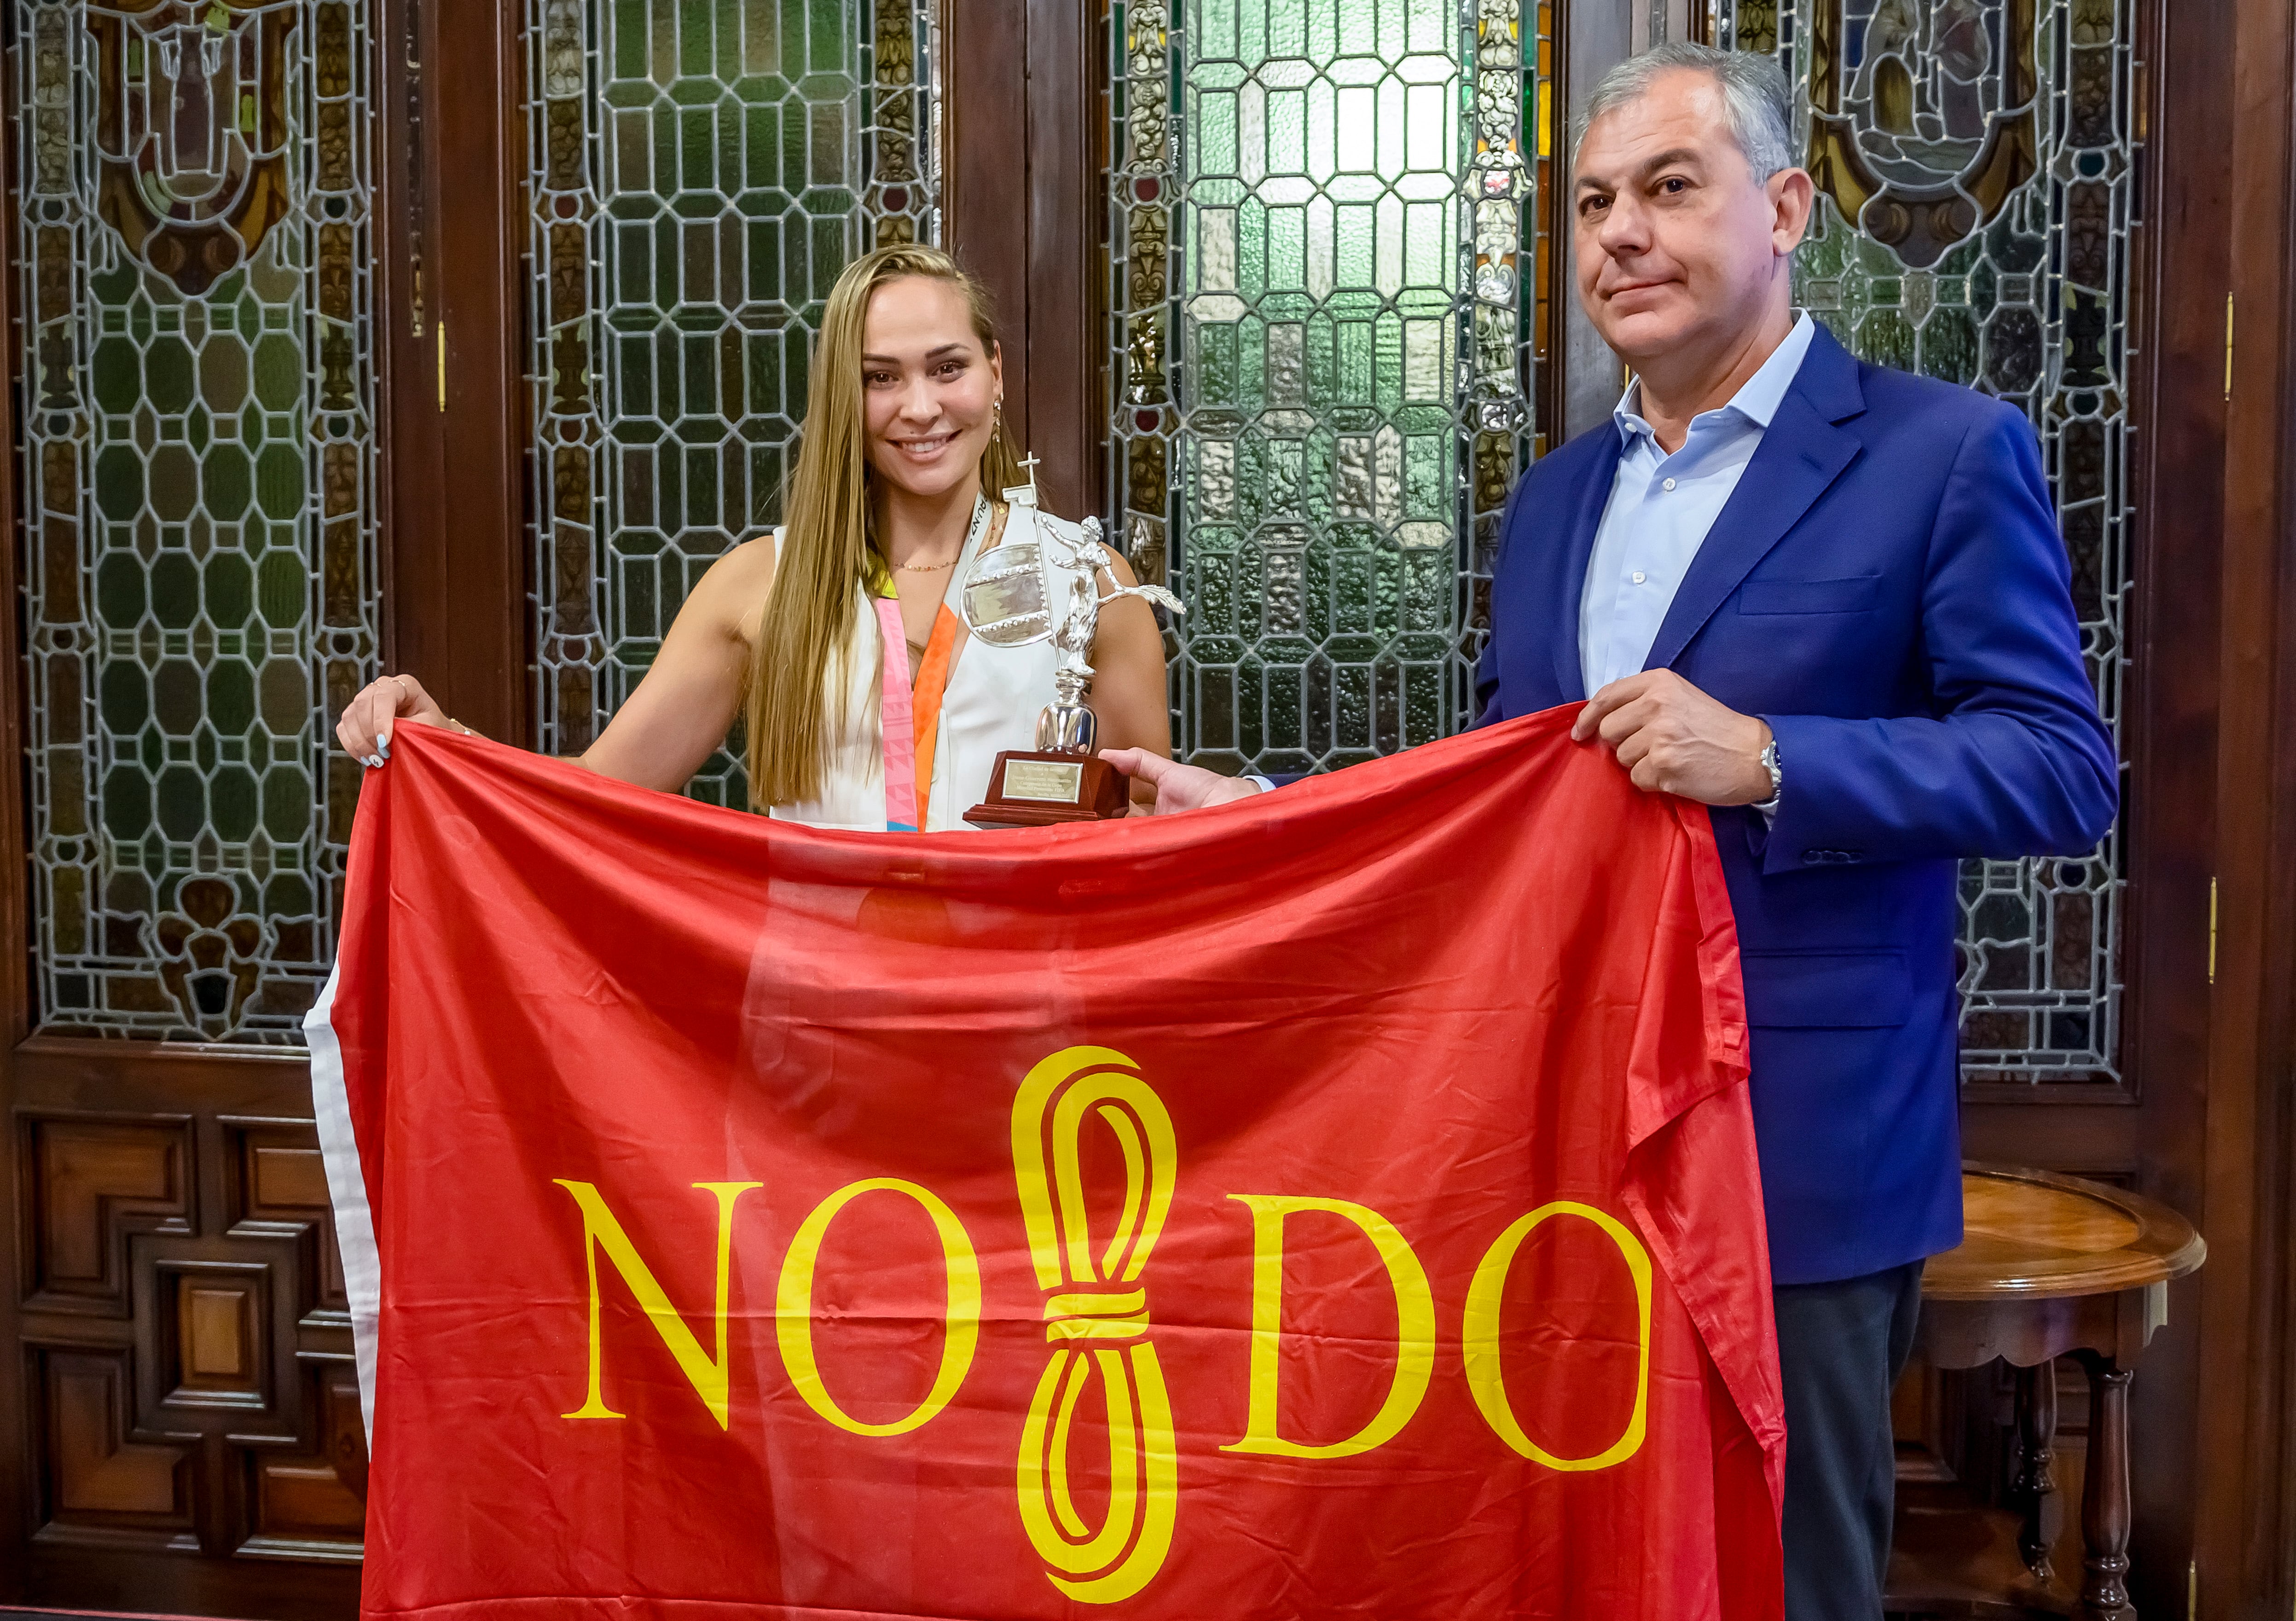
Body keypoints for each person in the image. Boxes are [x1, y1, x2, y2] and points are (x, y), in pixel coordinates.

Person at [1107, 42, 2116, 1621]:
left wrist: (1772, 757)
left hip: (1797, 1143)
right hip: (1552, 1138)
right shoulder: (1557, 498)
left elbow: (2056, 766)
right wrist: (1261, 822)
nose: (1616, 237)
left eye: (1664, 188)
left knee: (1783, 1574)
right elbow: (1501, 799)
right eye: (1590, 203)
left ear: (1783, 208)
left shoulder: (1937, 452)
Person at [336, 244, 1171, 830]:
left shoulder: (1088, 581)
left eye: (947, 367)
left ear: (996, 374)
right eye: (880, 378)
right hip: (815, 1027)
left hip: (1015, 1025)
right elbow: (592, 796)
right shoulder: (760, 583)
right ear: (843, 397)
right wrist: (443, 741)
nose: (919, 407)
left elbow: (1149, 828)